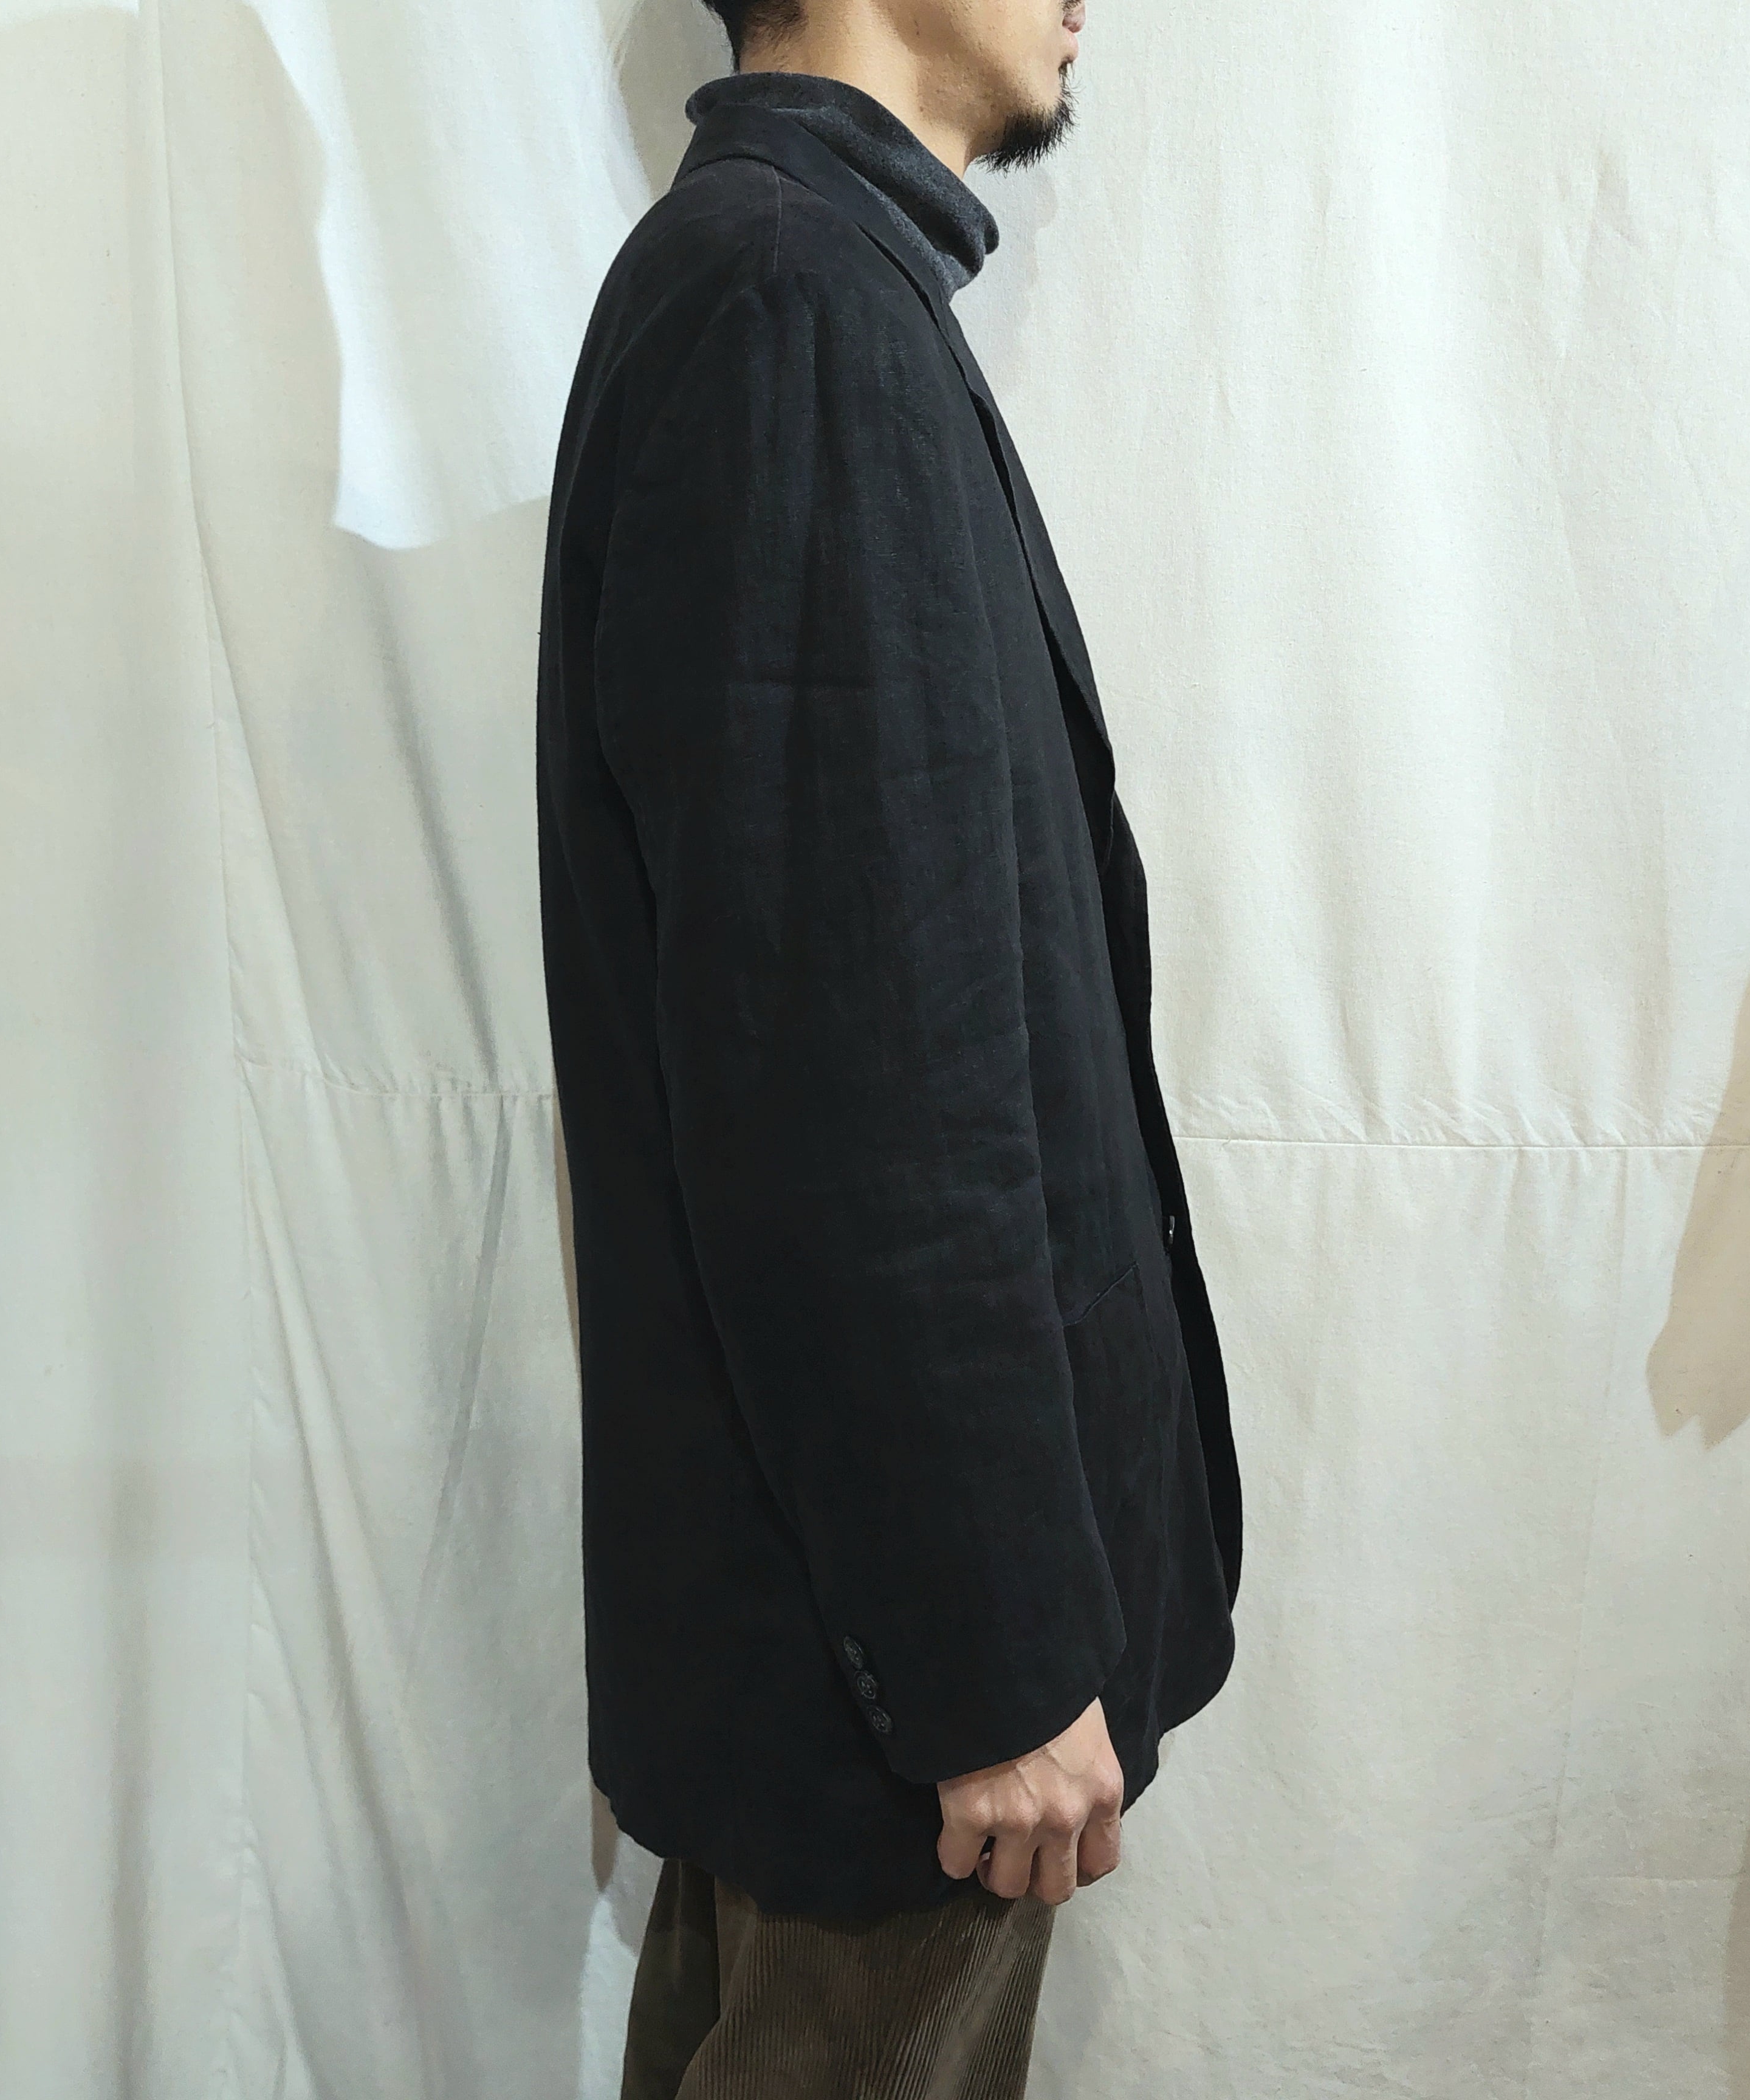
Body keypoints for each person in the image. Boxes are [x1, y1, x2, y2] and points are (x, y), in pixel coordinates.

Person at [535, 1, 1243, 2090]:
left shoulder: (810, 286)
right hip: (892, 1694)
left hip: (840, 1629)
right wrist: (984, 1660)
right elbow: (854, 1086)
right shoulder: (792, 310)